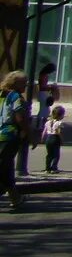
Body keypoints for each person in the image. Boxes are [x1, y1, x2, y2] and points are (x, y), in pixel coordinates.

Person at [1, 70, 29, 211]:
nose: (26, 85)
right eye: (24, 82)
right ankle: (14, 197)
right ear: (16, 83)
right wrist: (26, 131)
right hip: (9, 136)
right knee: (4, 167)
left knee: (6, 167)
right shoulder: (15, 96)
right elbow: (19, 117)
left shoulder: (2, 94)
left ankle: (15, 198)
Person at [43, 105, 66, 173]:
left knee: (49, 154)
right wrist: (62, 140)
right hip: (55, 138)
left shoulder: (48, 122)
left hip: (48, 138)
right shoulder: (59, 123)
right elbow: (58, 132)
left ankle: (47, 168)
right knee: (56, 154)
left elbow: (44, 131)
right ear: (60, 115)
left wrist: (42, 138)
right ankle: (54, 168)